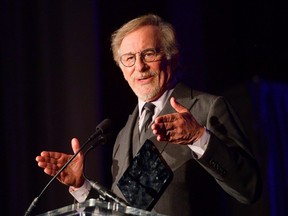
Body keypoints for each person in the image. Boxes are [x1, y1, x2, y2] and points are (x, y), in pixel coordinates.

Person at [36, 14, 262, 216]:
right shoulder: (124, 134)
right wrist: (82, 186)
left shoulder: (207, 108)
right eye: (129, 59)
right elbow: (123, 210)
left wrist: (199, 138)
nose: (140, 67)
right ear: (122, 70)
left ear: (171, 57)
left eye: (149, 54)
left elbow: (249, 188)